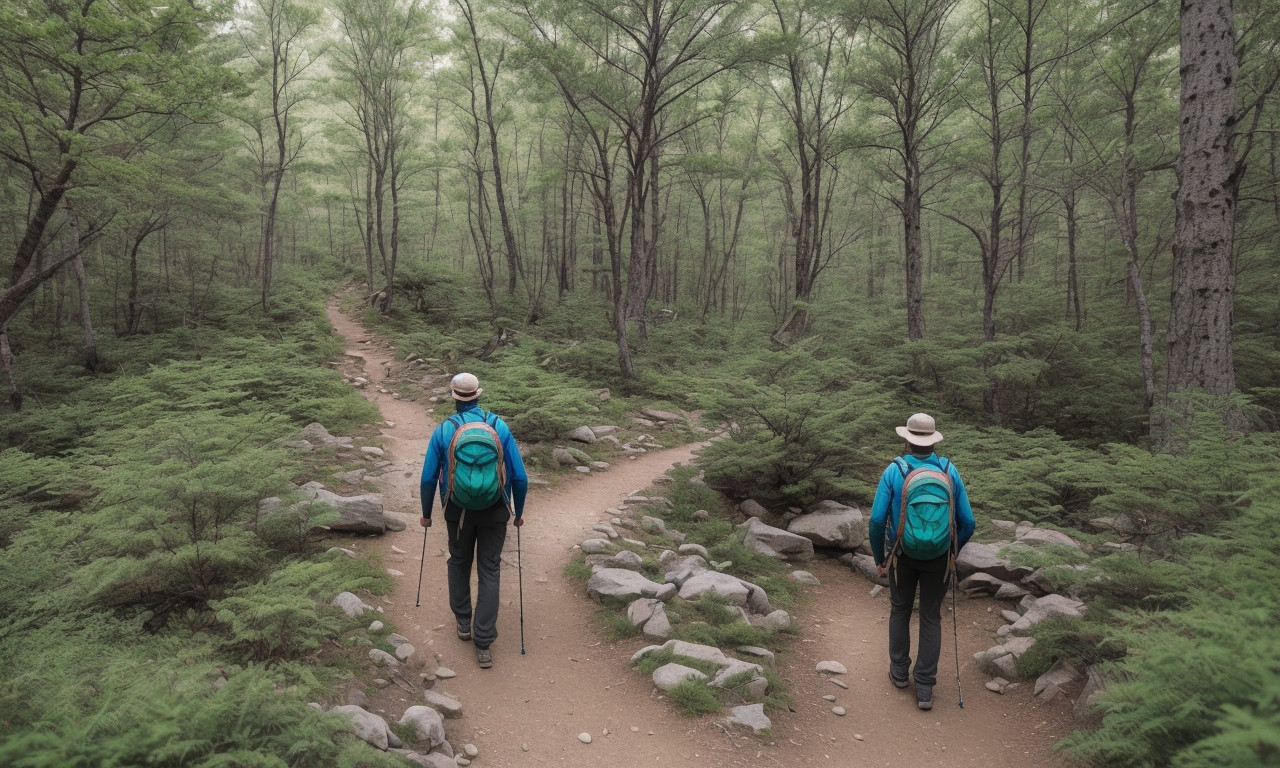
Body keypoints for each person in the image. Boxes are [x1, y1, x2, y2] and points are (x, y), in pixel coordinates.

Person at [419, 372, 528, 669]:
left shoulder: (444, 429)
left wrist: (427, 514)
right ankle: (484, 641)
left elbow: (428, 478)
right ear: (478, 394)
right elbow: (519, 477)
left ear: (454, 397)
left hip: (458, 510)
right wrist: (518, 512)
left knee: (458, 561)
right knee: (490, 569)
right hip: (496, 508)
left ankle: (463, 621)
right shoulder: (498, 426)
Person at [869, 412, 975, 710]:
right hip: (939, 557)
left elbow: (876, 521)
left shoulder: (895, 470)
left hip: (901, 555)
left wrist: (881, 558)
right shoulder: (948, 470)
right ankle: (925, 686)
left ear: (907, 439)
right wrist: (951, 552)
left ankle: (899, 672)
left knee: (900, 609)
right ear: (934, 440)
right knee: (930, 616)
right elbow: (968, 522)